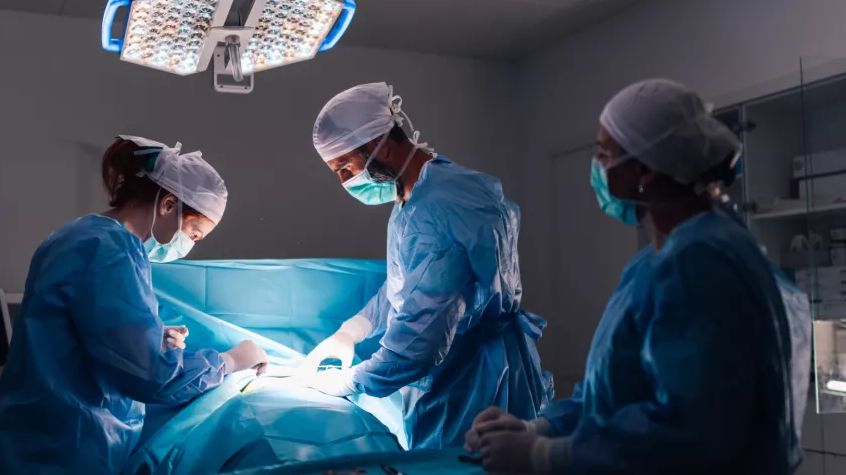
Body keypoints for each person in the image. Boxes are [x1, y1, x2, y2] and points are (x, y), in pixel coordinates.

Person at [465, 79, 803, 474]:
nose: (597, 168)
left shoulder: (700, 264)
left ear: (646, 170)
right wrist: (536, 427)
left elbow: (694, 432)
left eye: (606, 155)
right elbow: (615, 392)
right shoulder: (655, 263)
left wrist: (544, 456)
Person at [0, 136, 269, 475]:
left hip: (26, 440)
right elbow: (152, 380)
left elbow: (73, 327)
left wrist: (148, 335)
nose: (188, 246)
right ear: (167, 205)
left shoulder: (78, 234)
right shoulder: (112, 251)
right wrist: (231, 360)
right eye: (193, 234)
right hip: (62, 451)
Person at [300, 82, 553, 450]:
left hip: (474, 384)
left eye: (344, 166)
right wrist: (353, 330)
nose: (344, 180)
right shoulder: (414, 196)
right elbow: (409, 283)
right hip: (458, 372)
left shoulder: (440, 207)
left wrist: (352, 381)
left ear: (379, 145)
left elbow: (423, 337)